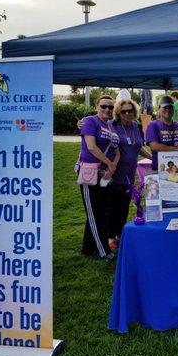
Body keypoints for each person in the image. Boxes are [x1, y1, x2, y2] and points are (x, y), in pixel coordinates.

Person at [78, 95, 120, 261]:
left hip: (106, 173)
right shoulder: (90, 121)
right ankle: (104, 252)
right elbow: (91, 146)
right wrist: (109, 164)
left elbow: (117, 150)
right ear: (97, 106)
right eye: (104, 106)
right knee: (95, 213)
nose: (107, 110)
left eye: (110, 107)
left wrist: (112, 166)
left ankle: (87, 248)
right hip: (90, 172)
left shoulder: (111, 126)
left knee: (99, 211)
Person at [108, 98, 152, 250]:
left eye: (130, 110)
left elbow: (138, 148)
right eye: (124, 111)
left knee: (124, 206)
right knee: (114, 207)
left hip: (130, 172)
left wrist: (154, 159)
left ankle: (120, 235)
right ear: (119, 113)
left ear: (134, 112)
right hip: (115, 172)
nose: (127, 113)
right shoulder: (112, 125)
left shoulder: (136, 126)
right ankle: (110, 237)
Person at [145, 96, 178, 171]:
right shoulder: (153, 125)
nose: (168, 110)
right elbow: (154, 146)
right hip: (159, 168)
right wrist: (175, 149)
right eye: (165, 107)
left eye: (170, 107)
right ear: (159, 109)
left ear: (173, 109)